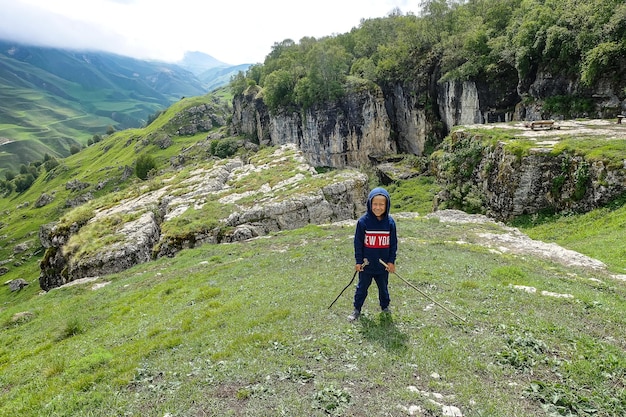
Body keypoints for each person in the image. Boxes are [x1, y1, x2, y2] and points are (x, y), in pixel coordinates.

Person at [349, 187, 398, 322]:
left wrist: (391, 261)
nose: (378, 207)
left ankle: (385, 307)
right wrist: (359, 261)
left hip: (383, 266)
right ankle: (357, 309)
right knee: (362, 288)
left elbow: (393, 244)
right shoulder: (363, 222)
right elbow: (358, 243)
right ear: (370, 204)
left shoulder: (390, 223)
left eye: (381, 204)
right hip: (367, 265)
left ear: (387, 205)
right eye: (375, 204)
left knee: (383, 288)